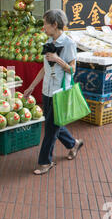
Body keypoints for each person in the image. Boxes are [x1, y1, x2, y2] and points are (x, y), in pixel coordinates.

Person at [23, 9, 84, 175]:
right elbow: (44, 69)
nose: (43, 27)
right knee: (54, 123)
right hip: (47, 91)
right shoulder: (49, 41)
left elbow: (72, 70)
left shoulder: (69, 43)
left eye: (45, 24)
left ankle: (45, 162)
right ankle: (73, 144)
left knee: (50, 128)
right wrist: (32, 86)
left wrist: (57, 59)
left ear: (55, 25)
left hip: (60, 91)